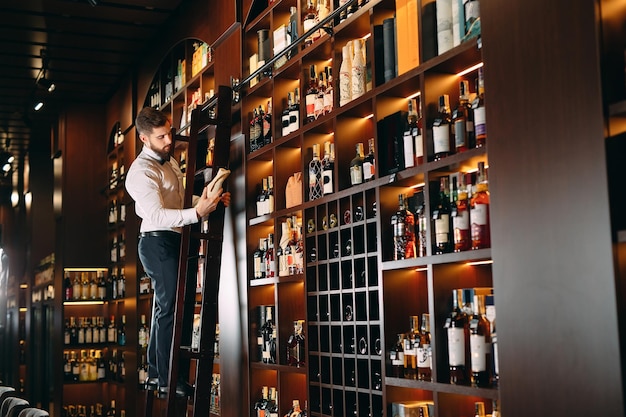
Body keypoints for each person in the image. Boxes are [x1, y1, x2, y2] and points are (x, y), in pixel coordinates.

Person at [125, 107, 230, 397]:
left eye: (169, 132)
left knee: (175, 307)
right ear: (144, 139)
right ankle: (166, 378)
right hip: (156, 241)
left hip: (175, 239)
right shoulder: (140, 173)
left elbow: (178, 199)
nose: (169, 139)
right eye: (161, 137)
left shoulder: (169, 160)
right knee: (171, 306)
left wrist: (211, 200)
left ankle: (166, 375)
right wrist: (197, 213)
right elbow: (158, 215)